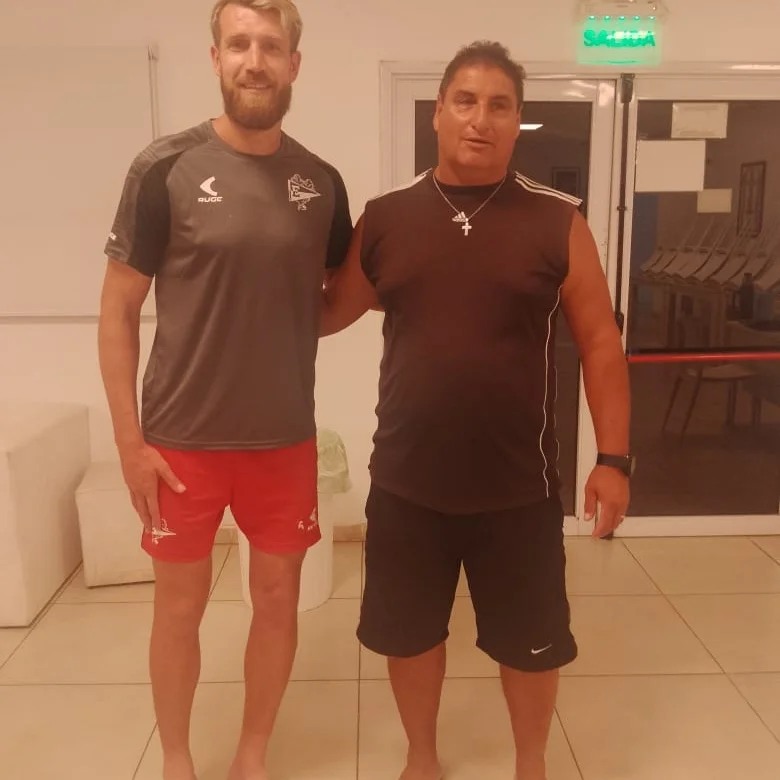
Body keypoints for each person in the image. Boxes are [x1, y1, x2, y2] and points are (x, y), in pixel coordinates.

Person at [321, 41, 632, 780]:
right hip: (407, 481)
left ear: (518, 120)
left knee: (531, 644)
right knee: (409, 637)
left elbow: (600, 343)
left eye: (500, 106)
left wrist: (614, 460)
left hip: (519, 486)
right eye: (465, 101)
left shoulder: (558, 221)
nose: (480, 119)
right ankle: (422, 758)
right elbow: (327, 314)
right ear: (438, 112)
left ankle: (531, 764)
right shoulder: (387, 218)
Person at [98, 2, 352, 779]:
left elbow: (335, 298)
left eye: (271, 46)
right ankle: (176, 759)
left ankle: (251, 756)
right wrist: (130, 444)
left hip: (284, 440)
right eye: (239, 44)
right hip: (181, 444)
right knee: (179, 608)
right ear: (215, 57)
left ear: (294, 64)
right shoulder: (163, 169)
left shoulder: (321, 183)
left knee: (276, 602)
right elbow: (118, 311)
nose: (255, 60)